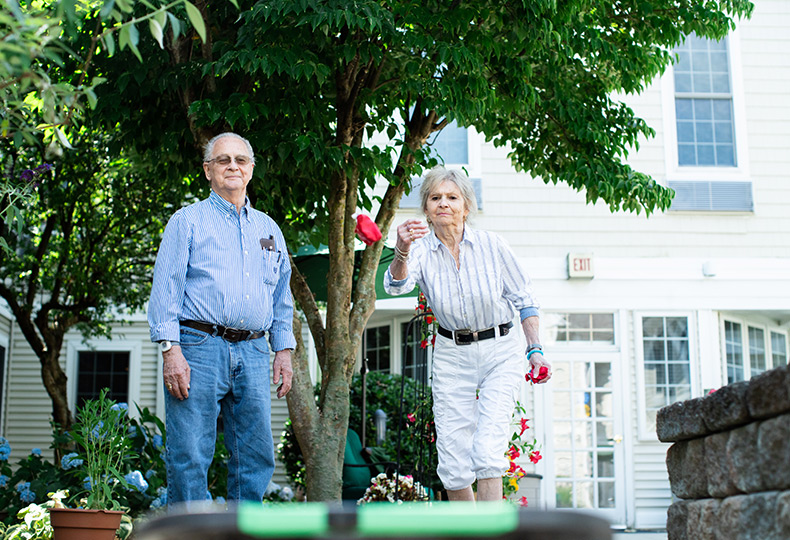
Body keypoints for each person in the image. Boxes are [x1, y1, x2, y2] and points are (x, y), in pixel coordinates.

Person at [384, 165, 551, 502]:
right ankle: (468, 531)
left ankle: (489, 532)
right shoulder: (419, 250)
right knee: (452, 460)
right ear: (427, 208)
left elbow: (524, 298)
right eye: (435, 197)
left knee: (488, 451)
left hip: (500, 348)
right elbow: (396, 284)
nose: (443, 203)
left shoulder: (493, 245)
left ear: (466, 205)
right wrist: (401, 249)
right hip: (452, 352)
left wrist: (535, 349)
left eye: (451, 197)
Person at [148, 132, 296, 505]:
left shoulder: (269, 229)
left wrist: (284, 350)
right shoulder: (187, 222)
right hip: (198, 347)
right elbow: (166, 288)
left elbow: (281, 297)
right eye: (223, 160)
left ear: (250, 170)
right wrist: (171, 351)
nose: (233, 166)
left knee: (255, 455)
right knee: (190, 455)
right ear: (207, 171)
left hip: (253, 350)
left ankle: (242, 533)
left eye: (241, 160)